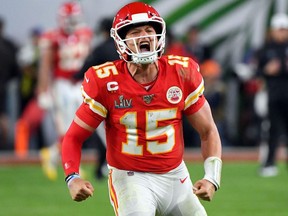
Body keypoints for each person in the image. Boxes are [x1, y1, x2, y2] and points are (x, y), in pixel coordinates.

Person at [61, 2, 222, 216]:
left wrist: (211, 177)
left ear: (159, 36)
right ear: (121, 41)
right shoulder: (106, 83)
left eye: (149, 31)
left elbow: (208, 130)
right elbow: (73, 136)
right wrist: (73, 177)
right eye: (135, 32)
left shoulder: (181, 74)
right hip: (130, 178)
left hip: (176, 176)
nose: (144, 37)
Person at [37, 1, 93, 180]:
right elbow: (46, 66)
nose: (72, 22)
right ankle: (72, 166)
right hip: (61, 85)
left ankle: (51, 155)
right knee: (67, 127)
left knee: (81, 124)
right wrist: (43, 90)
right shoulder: (52, 37)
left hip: (80, 84)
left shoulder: (85, 34)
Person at [74, 17, 119, 180]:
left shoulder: (100, 49)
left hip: (105, 98)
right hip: (127, 97)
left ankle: (105, 167)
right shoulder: (123, 48)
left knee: (103, 134)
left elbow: (83, 71)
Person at [256, 13, 288, 177]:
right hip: (274, 94)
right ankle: (269, 163)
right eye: (280, 29)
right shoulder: (266, 49)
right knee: (273, 130)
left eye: (284, 29)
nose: (282, 33)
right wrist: (266, 70)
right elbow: (257, 70)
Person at [0, 16, 21, 149]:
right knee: (8, 119)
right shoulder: (9, 45)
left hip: (7, 86)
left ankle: (10, 146)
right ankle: (9, 146)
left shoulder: (9, 45)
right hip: (7, 85)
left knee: (8, 119)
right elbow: (17, 69)